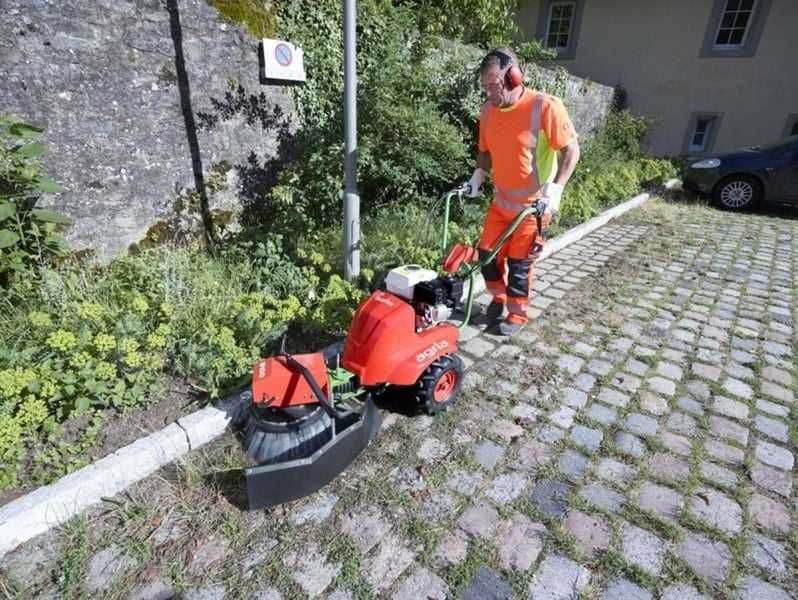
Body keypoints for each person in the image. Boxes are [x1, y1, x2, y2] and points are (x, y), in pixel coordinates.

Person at [466, 47, 581, 337]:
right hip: (502, 203)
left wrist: (556, 190)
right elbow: (484, 151)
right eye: (485, 86)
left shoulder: (544, 107)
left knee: (519, 265)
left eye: (494, 85)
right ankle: (498, 297)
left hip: (533, 208)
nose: (489, 93)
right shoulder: (488, 111)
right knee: (486, 255)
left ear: (514, 77)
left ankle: (517, 316)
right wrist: (479, 175)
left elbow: (571, 150)